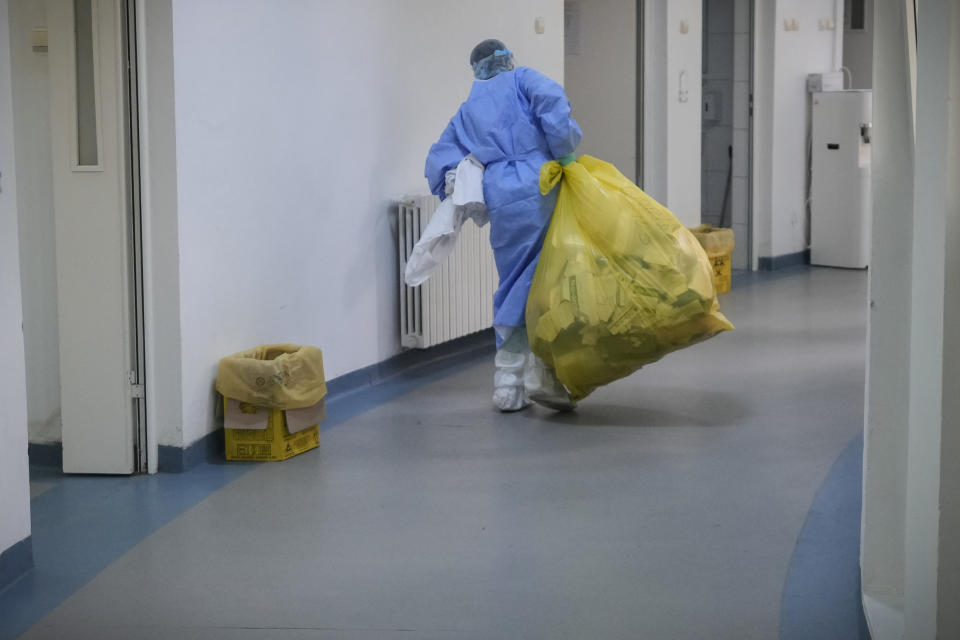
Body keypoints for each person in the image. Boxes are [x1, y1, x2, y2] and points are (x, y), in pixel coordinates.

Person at [425, 39, 581, 412]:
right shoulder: (524, 79)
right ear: (506, 59)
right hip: (539, 183)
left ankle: (508, 384)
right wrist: (566, 152)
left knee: (513, 281)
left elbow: (442, 156)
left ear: (477, 68)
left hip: (502, 195)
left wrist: (453, 184)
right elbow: (554, 107)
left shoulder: (470, 107)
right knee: (546, 280)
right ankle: (543, 374)